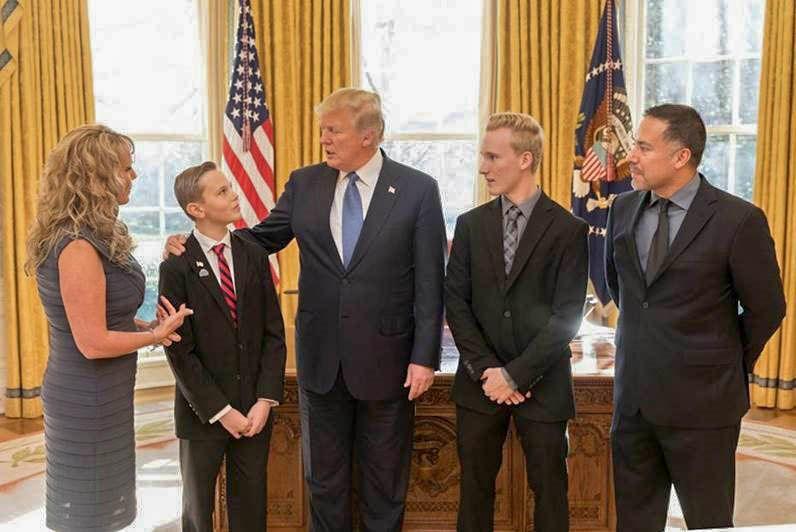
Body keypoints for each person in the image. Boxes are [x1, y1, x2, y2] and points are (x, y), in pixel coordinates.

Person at [164, 88, 446, 531]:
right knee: (324, 481)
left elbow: (432, 280)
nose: (324, 139)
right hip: (321, 360)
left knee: (385, 481)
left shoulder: (417, 190)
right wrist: (195, 247)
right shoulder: (305, 182)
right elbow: (259, 242)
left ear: (368, 135)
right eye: (322, 130)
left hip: (388, 360)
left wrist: (424, 356)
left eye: (333, 130)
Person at [605, 103, 787, 531]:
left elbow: (766, 308)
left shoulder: (738, 220)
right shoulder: (623, 209)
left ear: (681, 156)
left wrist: (724, 360)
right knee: (634, 521)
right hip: (633, 402)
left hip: (705, 405)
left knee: (707, 522)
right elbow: (623, 290)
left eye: (644, 147)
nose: (631, 155)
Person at [26, 124, 191, 531]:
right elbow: (93, 342)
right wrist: (154, 336)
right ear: (96, 177)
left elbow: (108, 316)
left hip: (107, 392)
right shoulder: (77, 245)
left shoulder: (98, 232)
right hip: (86, 398)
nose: (134, 177)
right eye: (125, 169)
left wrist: (148, 325)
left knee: (104, 507)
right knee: (88, 511)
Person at [445, 112, 588, 532]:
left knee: (550, 489)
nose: (482, 167)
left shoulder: (568, 229)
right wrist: (489, 371)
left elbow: (567, 317)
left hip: (544, 384)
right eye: (482, 156)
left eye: (493, 157)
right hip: (479, 383)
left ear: (525, 159)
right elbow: (456, 301)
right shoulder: (470, 225)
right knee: (473, 490)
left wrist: (517, 375)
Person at [159, 161, 286, 532]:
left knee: (251, 507)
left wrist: (265, 399)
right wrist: (220, 410)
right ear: (196, 210)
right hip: (204, 414)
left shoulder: (253, 253)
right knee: (198, 511)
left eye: (230, 187)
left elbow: (273, 334)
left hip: (254, 411)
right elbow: (178, 350)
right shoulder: (177, 265)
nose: (234, 195)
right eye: (222, 191)